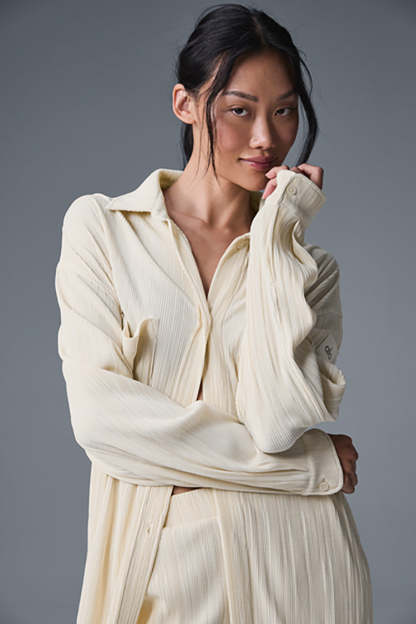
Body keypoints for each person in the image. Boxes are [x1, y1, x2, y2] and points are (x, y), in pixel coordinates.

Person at [55, 3, 373, 622]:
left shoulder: (310, 269)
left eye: (284, 111)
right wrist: (311, 465)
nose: (267, 138)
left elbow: (275, 421)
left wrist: (278, 236)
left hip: (304, 566)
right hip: (165, 571)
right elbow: (103, 422)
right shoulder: (103, 230)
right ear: (185, 104)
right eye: (239, 110)